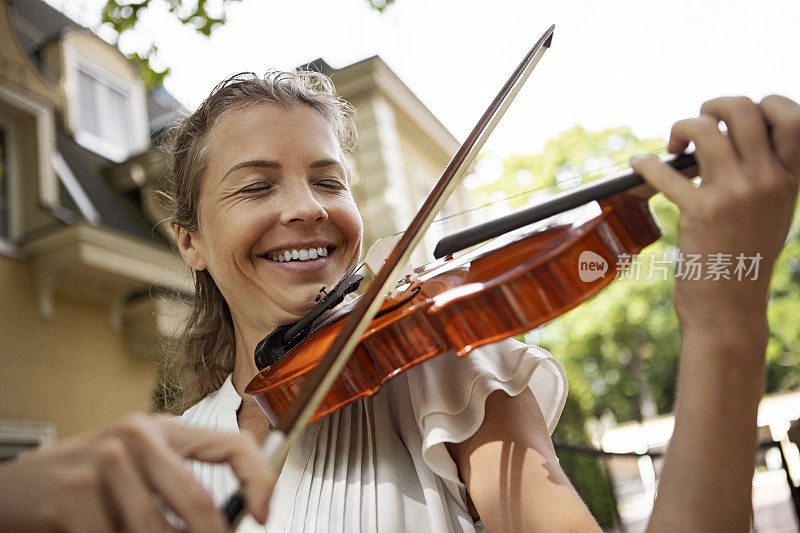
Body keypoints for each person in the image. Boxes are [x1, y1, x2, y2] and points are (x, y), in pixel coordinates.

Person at [0, 68, 797, 532]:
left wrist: (726, 320)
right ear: (191, 242)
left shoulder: (440, 369)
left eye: (327, 179)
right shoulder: (166, 456)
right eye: (256, 186)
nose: (306, 207)